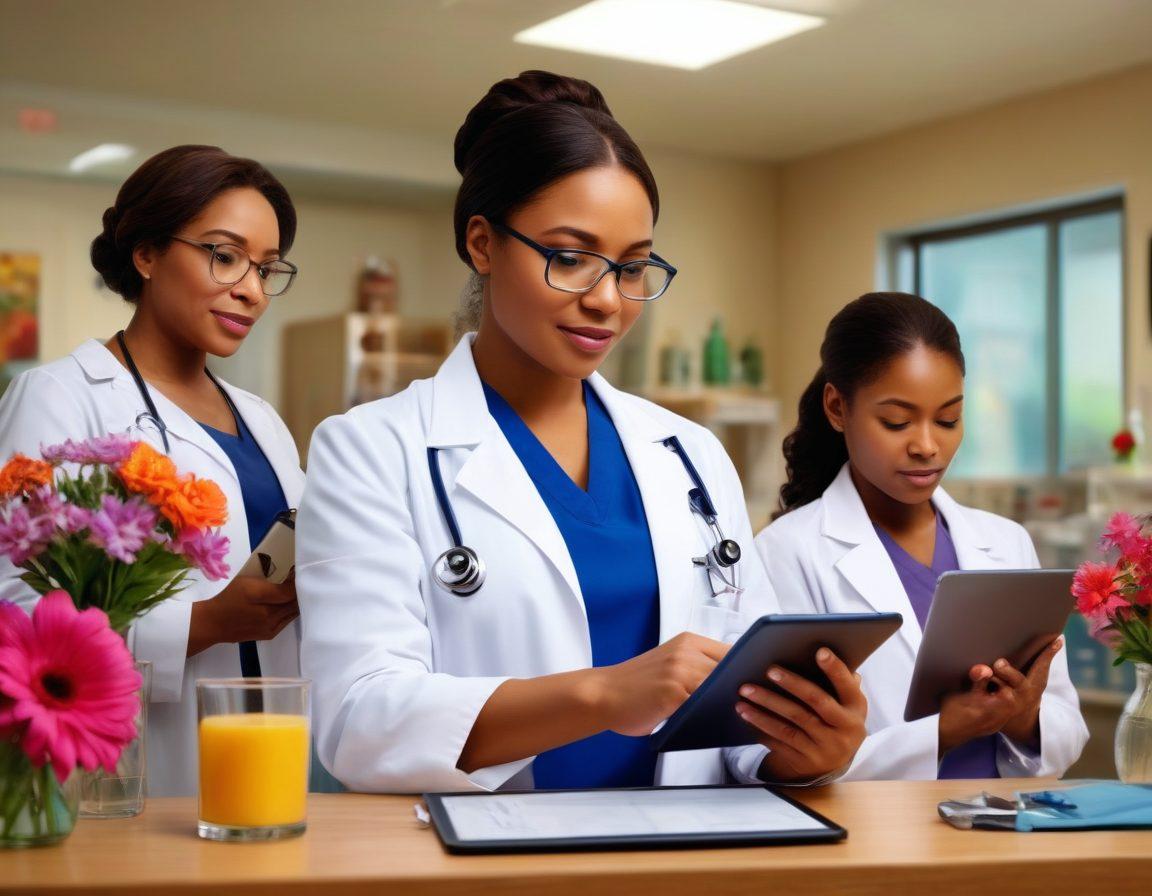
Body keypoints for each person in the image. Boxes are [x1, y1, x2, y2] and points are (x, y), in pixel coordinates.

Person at [296, 71, 868, 793]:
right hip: (490, 860)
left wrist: (806, 745)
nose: (606, 301)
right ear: (482, 242)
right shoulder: (371, 449)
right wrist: (605, 694)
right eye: (569, 258)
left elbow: (740, 709)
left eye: (632, 267)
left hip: (688, 855)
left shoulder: (688, 454)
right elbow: (359, 718)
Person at [0, 145, 304, 796]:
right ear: (147, 253)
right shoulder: (61, 396)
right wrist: (204, 624)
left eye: (268, 269)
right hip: (139, 763)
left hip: (270, 751)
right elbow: (18, 607)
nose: (251, 290)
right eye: (225, 255)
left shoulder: (262, 420)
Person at [755, 292, 1088, 780]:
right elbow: (778, 758)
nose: (928, 446)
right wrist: (944, 731)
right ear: (836, 407)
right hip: (875, 846)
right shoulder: (787, 551)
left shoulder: (1006, 541)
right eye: (897, 421)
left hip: (1003, 835)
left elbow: (1069, 728)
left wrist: (1023, 718)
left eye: (949, 419)